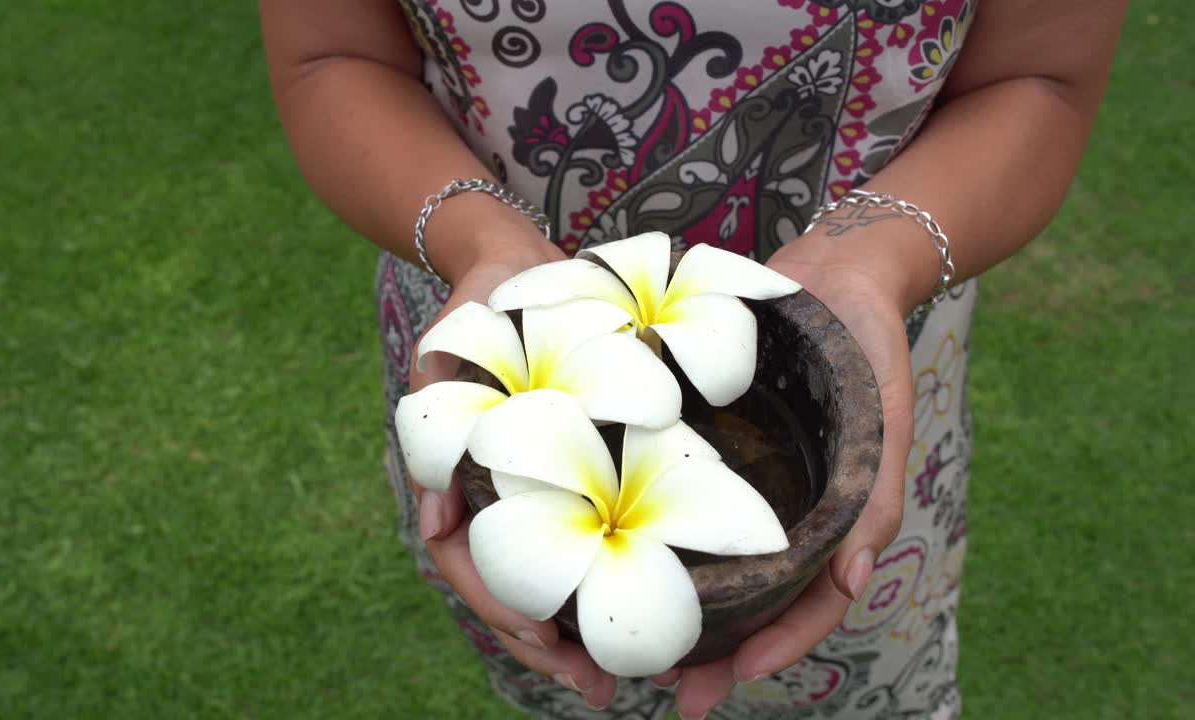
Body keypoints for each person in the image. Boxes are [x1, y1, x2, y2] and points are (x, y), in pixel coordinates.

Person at [259, 1, 1124, 717]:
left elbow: (1038, 77)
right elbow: (333, 53)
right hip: (492, 340)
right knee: (562, 680)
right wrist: (477, 238)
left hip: (861, 364)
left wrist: (874, 257)